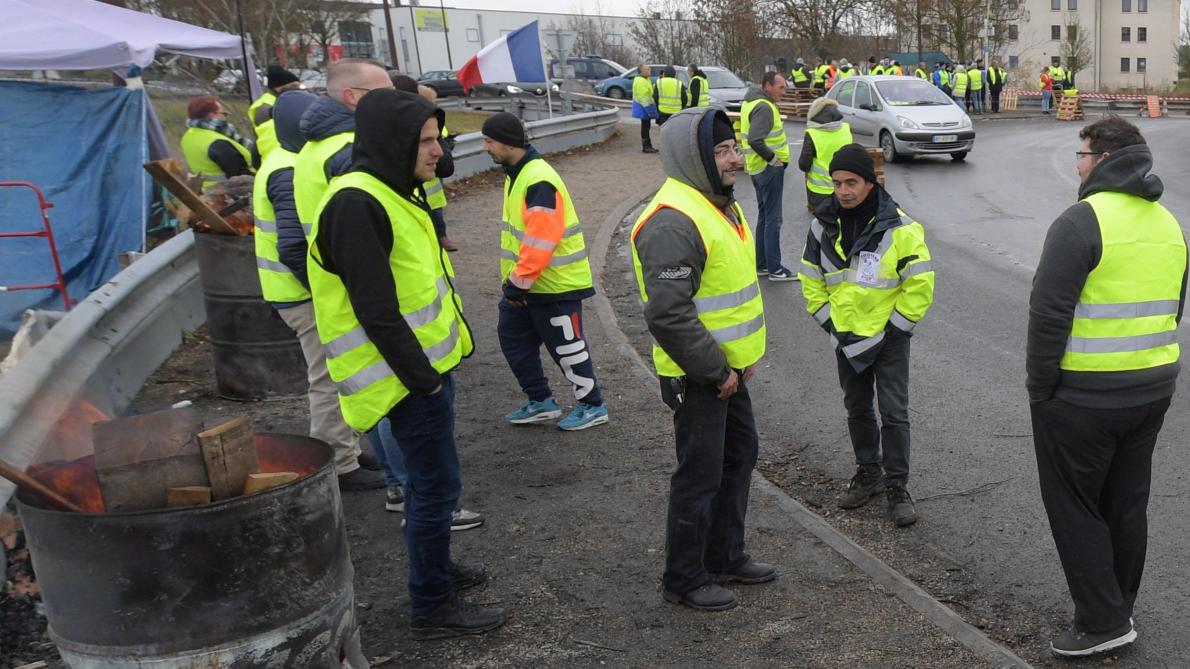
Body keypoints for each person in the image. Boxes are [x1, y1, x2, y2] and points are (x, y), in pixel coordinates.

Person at [308, 88, 504, 639]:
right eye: (425, 141)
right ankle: (432, 605)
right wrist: (425, 384)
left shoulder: (393, 189)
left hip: (423, 371)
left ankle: (438, 570)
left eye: (437, 138)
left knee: (434, 486)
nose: (437, 150)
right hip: (403, 380)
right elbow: (377, 310)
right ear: (392, 142)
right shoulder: (356, 202)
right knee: (435, 487)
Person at [1028, 117, 1186, 658]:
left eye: (1082, 152)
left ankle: (1102, 622)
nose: (1078, 162)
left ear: (1103, 159)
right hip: (1152, 389)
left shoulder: (1080, 221)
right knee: (1125, 504)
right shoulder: (1168, 222)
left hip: (1083, 399)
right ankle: (1119, 605)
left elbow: (1048, 315)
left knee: (1075, 507)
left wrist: (1039, 389)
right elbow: (1173, 307)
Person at [631, 106, 776, 612]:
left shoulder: (715, 201)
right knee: (699, 475)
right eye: (720, 150)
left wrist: (737, 362)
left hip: (726, 372)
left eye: (733, 146)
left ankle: (724, 556)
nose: (734, 158)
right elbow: (669, 315)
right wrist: (717, 371)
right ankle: (684, 577)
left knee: (738, 458)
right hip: (702, 376)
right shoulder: (673, 221)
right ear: (691, 157)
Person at [251, 89, 384, 492]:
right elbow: (293, 245)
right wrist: (326, 291)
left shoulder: (281, 159)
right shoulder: (287, 170)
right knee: (330, 376)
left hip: (293, 292)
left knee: (338, 371)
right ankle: (340, 464)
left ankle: (346, 446)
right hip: (304, 295)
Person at [797, 145, 935, 528]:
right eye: (837, 182)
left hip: (889, 338)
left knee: (893, 414)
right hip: (846, 338)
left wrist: (894, 330)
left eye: (851, 182)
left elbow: (919, 284)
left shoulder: (901, 228)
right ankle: (868, 473)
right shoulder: (821, 225)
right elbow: (810, 280)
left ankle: (896, 485)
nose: (842, 191)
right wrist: (832, 324)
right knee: (857, 409)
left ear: (869, 183)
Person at [481, 113, 610, 431]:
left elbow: (542, 239)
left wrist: (517, 284)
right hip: (529, 285)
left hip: (554, 286)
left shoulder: (537, 179)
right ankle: (541, 401)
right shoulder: (518, 173)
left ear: (508, 143)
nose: (485, 148)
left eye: (489, 141)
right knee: (512, 339)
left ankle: (593, 405)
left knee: (567, 348)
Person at [293, 58, 393, 238]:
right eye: (386, 92)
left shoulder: (315, 145)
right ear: (352, 96)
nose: (394, 98)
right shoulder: (355, 149)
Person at [741, 71, 795, 282]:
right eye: (781, 87)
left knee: (764, 217)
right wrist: (773, 159)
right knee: (774, 219)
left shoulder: (751, 103)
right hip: (768, 169)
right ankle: (775, 269)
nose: (785, 91)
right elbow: (756, 139)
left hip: (756, 168)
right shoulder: (763, 106)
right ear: (767, 86)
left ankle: (762, 264)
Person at [415, 83, 459, 252]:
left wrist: (447, 144)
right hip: (421, 183)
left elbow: (444, 144)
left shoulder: (436, 123)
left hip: (433, 181)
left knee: (437, 214)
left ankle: (442, 237)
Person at [180, 95, 256, 191]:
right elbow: (240, 174)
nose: (226, 118)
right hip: (230, 194)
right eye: (224, 113)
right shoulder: (217, 142)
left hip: (208, 191)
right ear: (212, 115)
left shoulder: (188, 136)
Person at [799, 97, 852, 214]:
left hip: (820, 190)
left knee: (822, 226)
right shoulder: (846, 128)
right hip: (844, 187)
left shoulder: (812, 133)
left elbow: (804, 165)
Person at [249, 65, 303, 160]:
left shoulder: (280, 102)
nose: (298, 90)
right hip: (277, 156)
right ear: (278, 87)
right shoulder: (266, 107)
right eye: (294, 86)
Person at [632, 64, 659, 153]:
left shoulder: (646, 80)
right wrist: (650, 110)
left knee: (646, 127)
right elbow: (644, 97)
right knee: (645, 127)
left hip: (644, 108)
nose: (649, 70)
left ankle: (647, 146)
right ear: (641, 71)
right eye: (647, 69)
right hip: (643, 108)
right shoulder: (640, 81)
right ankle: (646, 147)